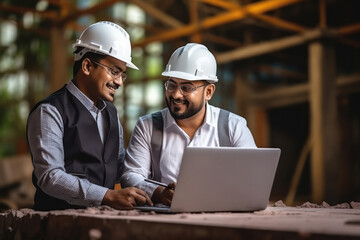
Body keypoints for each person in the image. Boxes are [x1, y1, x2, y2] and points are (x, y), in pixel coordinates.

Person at [26, 21, 152, 211]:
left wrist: (156, 189)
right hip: (56, 222)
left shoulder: (110, 113)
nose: (119, 82)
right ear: (86, 66)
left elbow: (120, 169)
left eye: (122, 74)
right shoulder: (50, 110)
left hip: (100, 219)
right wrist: (107, 195)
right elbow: (51, 177)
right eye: (114, 71)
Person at [120, 43, 257, 206]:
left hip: (222, 217)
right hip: (166, 218)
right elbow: (131, 176)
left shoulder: (234, 127)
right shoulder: (148, 126)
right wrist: (159, 193)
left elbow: (252, 179)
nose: (176, 94)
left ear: (209, 92)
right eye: (171, 85)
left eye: (186, 87)